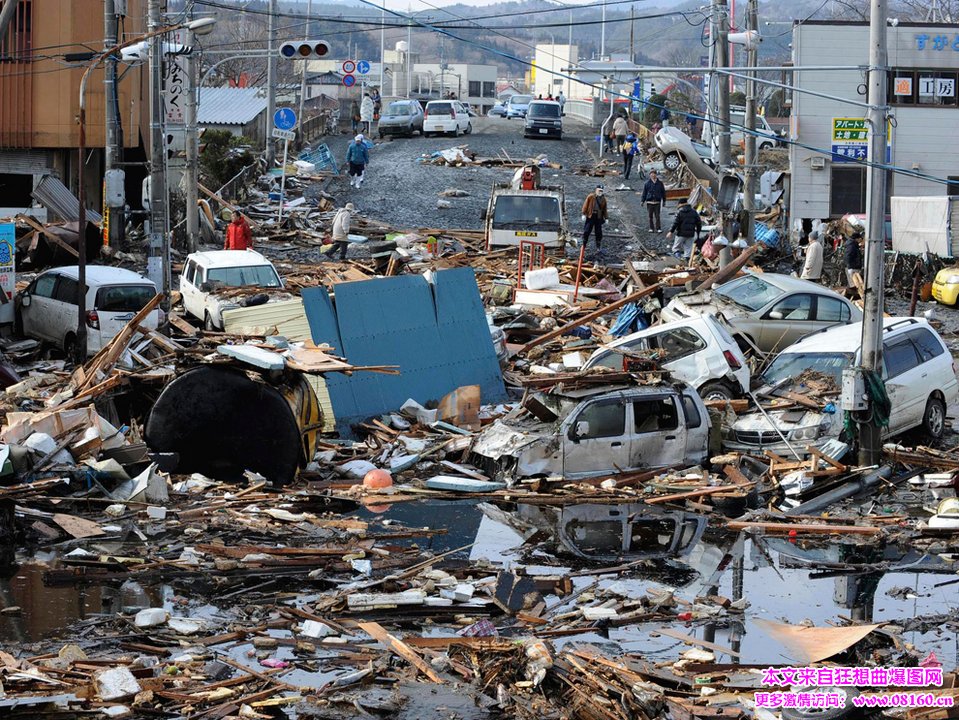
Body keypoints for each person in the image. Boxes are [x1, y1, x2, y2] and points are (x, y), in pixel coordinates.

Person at [581, 186, 608, 255]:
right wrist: (584, 213)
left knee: (598, 232)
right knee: (587, 231)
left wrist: (606, 218)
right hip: (591, 216)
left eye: (601, 191)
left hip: (598, 217)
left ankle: (598, 247)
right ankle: (584, 245)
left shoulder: (603, 199)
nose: (600, 192)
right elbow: (585, 205)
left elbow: (604, 209)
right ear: (596, 190)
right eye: (599, 190)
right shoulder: (591, 197)